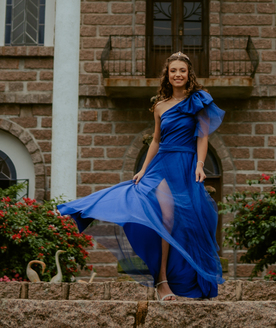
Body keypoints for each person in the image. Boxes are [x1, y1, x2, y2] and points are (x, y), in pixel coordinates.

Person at [58, 51, 224, 300]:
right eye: (173, 71)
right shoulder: (160, 106)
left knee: (194, 220)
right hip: (162, 164)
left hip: (187, 163)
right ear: (167, 76)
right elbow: (156, 140)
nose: (178, 74)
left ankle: (191, 283)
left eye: (182, 70)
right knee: (162, 215)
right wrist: (144, 168)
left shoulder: (199, 100)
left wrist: (200, 164)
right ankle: (161, 282)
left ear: (189, 74)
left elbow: (203, 136)